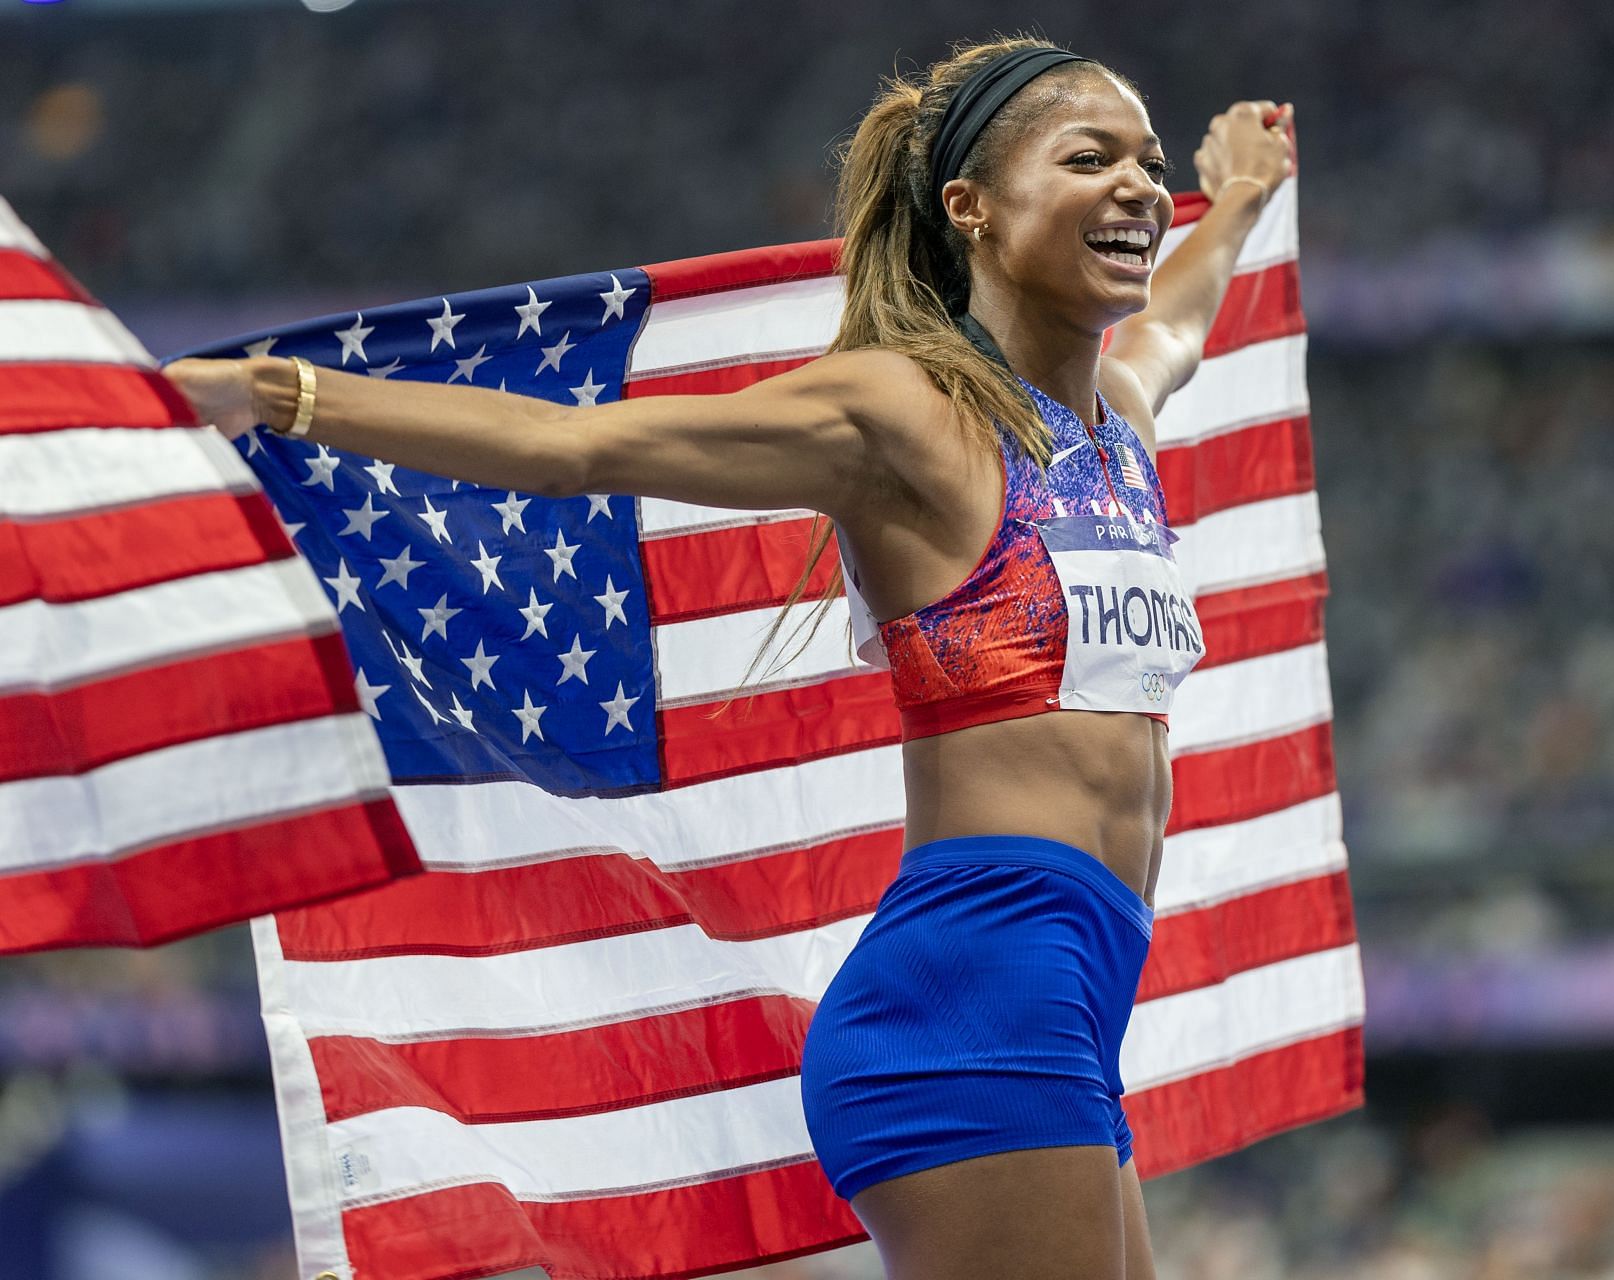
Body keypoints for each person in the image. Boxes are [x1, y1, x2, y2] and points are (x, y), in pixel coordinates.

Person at [164, 34, 1293, 1280]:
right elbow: (572, 451)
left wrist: (1234, 194)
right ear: (968, 207)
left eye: (1145, 161)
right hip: (978, 991)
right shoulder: (902, 412)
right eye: (1091, 159)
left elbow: (1178, 322)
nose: (1138, 183)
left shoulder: (1115, 426)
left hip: (1072, 993)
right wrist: (283, 394)